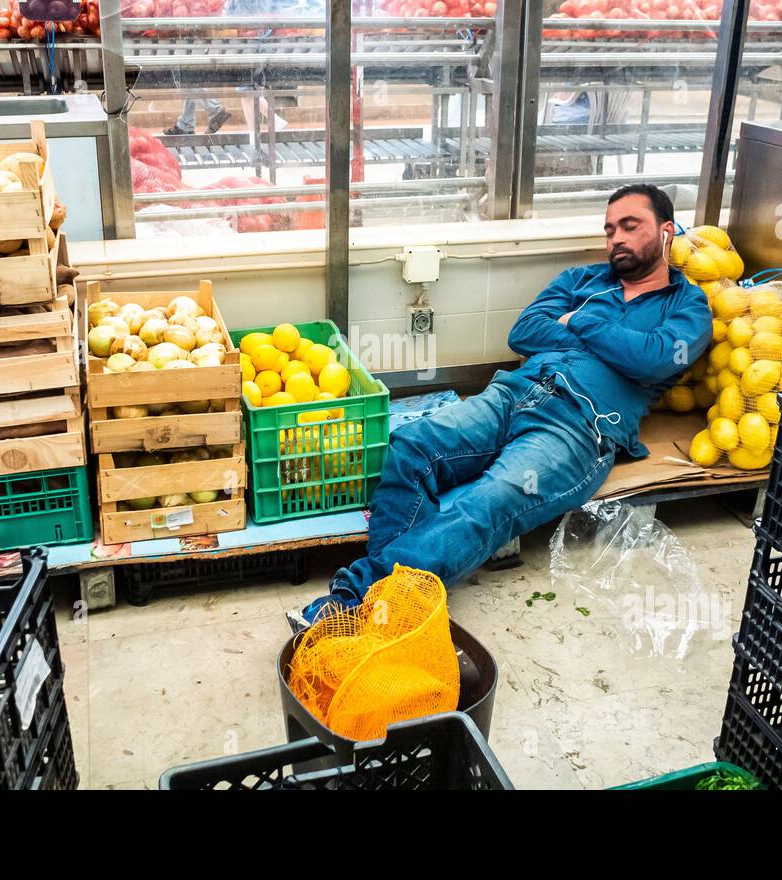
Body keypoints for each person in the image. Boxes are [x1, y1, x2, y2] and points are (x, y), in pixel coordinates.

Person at [296, 184, 713, 624]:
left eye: (630, 226)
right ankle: (394, 600)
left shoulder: (687, 305)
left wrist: (584, 321)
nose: (616, 239)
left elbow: (655, 358)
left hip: (577, 426)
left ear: (666, 231)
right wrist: (614, 345)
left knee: (489, 500)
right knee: (411, 445)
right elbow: (526, 332)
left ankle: (353, 599)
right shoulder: (580, 280)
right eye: (610, 230)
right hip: (512, 393)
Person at [167, 0, 273, 136]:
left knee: (192, 74)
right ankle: (188, 123)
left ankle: (213, 112)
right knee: (192, 70)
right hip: (246, 43)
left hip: (241, 45)